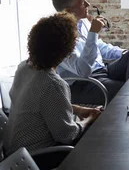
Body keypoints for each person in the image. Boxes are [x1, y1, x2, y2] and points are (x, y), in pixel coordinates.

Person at [5, 13, 101, 158]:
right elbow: (68, 136)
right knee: (97, 134)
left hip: (12, 153)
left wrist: (78, 110)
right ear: (67, 50)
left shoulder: (24, 68)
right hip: (36, 157)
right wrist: (89, 119)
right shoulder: (53, 84)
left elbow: (40, 105)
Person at [52, 0, 129, 105]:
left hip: (102, 70)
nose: (88, 4)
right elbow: (83, 71)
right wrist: (94, 32)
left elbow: (99, 47)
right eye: (82, 3)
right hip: (84, 83)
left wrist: (123, 53)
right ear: (68, 11)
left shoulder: (83, 22)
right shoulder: (58, 37)